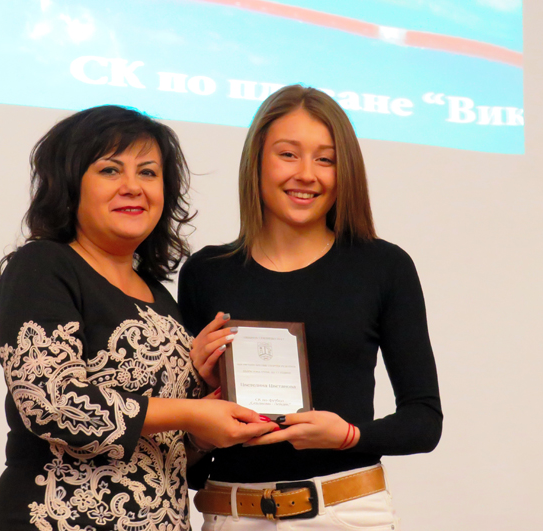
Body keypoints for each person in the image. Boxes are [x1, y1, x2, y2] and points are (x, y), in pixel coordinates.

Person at [0, 105, 276, 531]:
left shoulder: (159, 296)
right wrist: (191, 413)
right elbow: (50, 403)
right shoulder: (43, 266)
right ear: (70, 183)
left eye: (148, 172)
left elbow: (169, 449)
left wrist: (202, 431)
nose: (133, 187)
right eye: (110, 170)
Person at [178, 85, 443, 530]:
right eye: (288, 154)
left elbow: (424, 421)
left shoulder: (383, 266)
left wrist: (348, 436)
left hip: (347, 513)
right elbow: (184, 452)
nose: (306, 174)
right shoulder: (206, 272)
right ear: (256, 161)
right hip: (231, 514)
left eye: (326, 159)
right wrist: (203, 400)